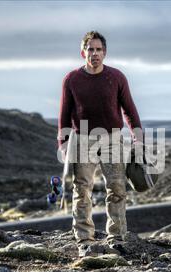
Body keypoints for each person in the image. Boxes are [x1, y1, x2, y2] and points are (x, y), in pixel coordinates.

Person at [57, 31, 143, 257]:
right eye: (90, 49)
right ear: (83, 52)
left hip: (112, 138)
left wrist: (137, 136)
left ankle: (116, 237)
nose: (94, 54)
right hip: (82, 138)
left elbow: (129, 110)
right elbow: (64, 114)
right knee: (81, 188)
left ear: (104, 53)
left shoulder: (116, 77)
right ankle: (84, 239)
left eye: (98, 50)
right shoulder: (71, 79)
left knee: (116, 187)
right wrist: (63, 141)